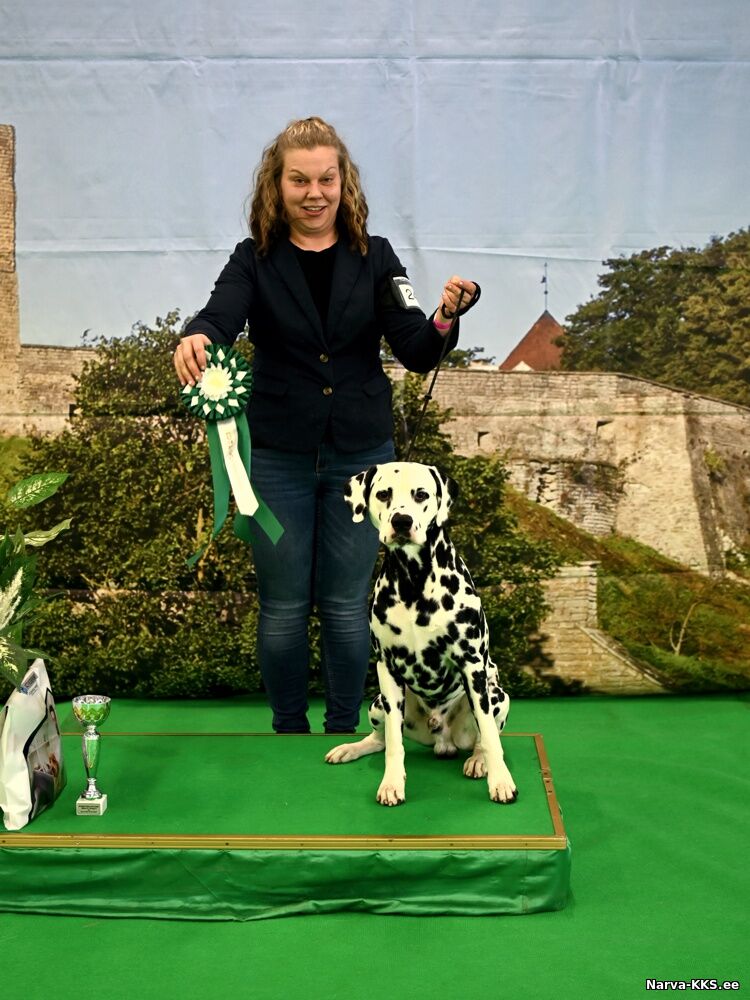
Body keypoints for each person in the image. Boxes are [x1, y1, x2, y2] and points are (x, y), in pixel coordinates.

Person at [173, 116, 479, 735]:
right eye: (299, 180)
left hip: (362, 459)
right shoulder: (253, 260)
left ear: (345, 183)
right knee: (283, 608)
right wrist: (197, 336)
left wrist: (447, 315)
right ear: (276, 185)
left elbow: (418, 349)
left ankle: (345, 727)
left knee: (345, 607)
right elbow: (219, 314)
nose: (314, 193)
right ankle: (289, 728)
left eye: (326, 179)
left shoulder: (377, 256)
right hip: (276, 457)